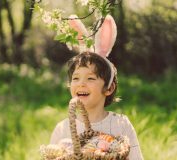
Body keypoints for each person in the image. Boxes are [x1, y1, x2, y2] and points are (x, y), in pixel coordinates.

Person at [49, 15, 144, 159]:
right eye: (76, 78)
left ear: (109, 88)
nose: (81, 83)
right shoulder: (63, 129)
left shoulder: (121, 124)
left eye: (90, 78)